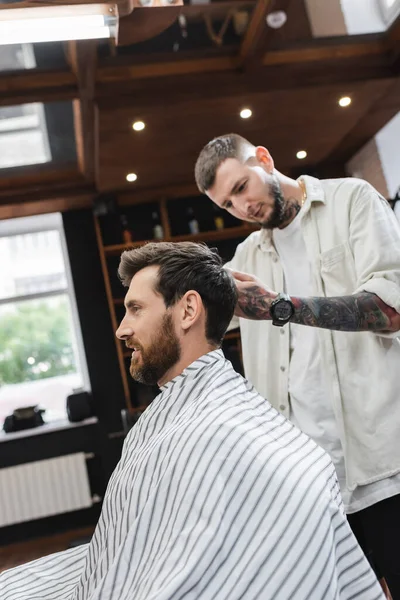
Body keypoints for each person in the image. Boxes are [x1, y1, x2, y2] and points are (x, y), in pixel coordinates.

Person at [0, 242, 385, 600]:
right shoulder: (201, 413)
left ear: (187, 310)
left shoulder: (217, 430)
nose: (122, 329)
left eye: (135, 309)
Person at [194, 133, 400, 598]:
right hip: (311, 479)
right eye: (227, 204)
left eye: (242, 187)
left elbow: (390, 310)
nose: (241, 206)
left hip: (383, 460)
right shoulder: (246, 258)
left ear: (264, 158)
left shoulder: (351, 200)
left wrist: (279, 307)